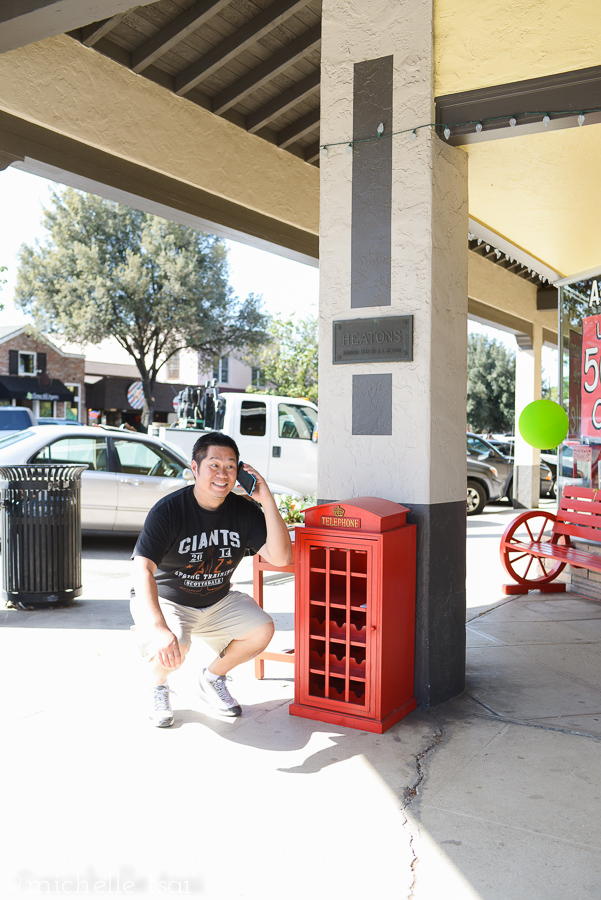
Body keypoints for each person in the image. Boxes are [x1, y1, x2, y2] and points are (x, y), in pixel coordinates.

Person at [130, 431, 292, 727]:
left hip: (216, 600)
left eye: (231, 466)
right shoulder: (168, 511)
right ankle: (158, 686)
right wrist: (158, 626)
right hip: (169, 601)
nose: (223, 473)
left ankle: (211, 678)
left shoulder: (245, 512)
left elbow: (281, 558)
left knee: (262, 629)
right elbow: (142, 569)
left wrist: (266, 499)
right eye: (214, 464)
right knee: (174, 644)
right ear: (195, 468)